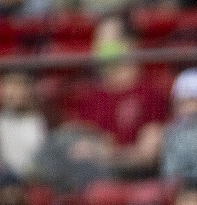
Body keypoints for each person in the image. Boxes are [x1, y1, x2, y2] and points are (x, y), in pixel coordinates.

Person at [57, 18, 168, 179]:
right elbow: (75, 148)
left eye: (105, 42)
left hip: (129, 183)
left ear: (129, 44)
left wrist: (103, 154)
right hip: (87, 185)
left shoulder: (150, 94)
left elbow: (147, 156)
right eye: (96, 42)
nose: (98, 49)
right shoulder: (89, 97)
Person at [158, 65, 197, 186]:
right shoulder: (172, 129)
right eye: (182, 100)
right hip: (177, 186)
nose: (187, 106)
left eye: (193, 99)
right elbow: (169, 169)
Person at [0, 70, 49, 180]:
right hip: (7, 177)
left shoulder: (46, 118)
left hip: (42, 177)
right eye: (6, 86)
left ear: (30, 89)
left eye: (17, 86)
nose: (10, 92)